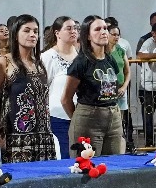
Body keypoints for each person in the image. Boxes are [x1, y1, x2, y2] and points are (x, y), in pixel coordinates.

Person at [0, 14, 58, 161]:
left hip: (43, 137)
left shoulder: (39, 63)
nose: (32, 34)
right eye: (26, 30)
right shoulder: (5, 62)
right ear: (15, 35)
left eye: (35, 31)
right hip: (16, 139)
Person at [63, 15, 124, 156]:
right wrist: (80, 120)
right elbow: (66, 99)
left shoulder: (110, 59)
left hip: (113, 117)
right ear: (88, 36)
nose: (103, 32)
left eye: (105, 28)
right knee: (87, 164)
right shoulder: (81, 62)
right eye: (97, 29)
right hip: (89, 118)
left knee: (113, 163)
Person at [40, 15, 79, 154]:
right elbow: (42, 88)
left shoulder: (80, 55)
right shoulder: (47, 57)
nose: (73, 31)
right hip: (57, 117)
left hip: (79, 116)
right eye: (68, 28)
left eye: (75, 28)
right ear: (57, 33)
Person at [106, 19, 135, 152]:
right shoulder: (103, 51)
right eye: (113, 34)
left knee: (120, 120)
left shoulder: (120, 50)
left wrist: (123, 87)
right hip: (107, 90)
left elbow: (127, 72)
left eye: (118, 35)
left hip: (120, 90)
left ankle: (120, 145)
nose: (116, 37)